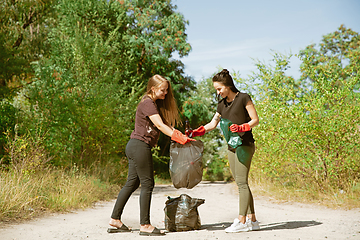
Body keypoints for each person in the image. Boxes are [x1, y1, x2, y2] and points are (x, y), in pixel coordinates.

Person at [109, 74, 194, 236]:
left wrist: (182, 135)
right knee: (148, 184)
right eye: (163, 90)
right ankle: (145, 225)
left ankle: (115, 219)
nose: (166, 93)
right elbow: (161, 126)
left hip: (134, 146)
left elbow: (167, 124)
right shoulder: (147, 103)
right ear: (153, 89)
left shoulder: (153, 104)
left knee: (132, 183)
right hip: (139, 146)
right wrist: (178, 138)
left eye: (167, 90)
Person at [187, 69, 260, 233]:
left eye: (219, 89)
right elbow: (213, 124)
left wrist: (242, 127)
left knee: (241, 183)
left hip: (244, 145)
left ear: (228, 86)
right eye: (216, 90)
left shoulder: (243, 98)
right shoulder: (222, 104)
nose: (218, 92)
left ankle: (242, 221)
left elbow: (255, 119)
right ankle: (253, 220)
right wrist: (197, 132)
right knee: (242, 183)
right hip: (231, 146)